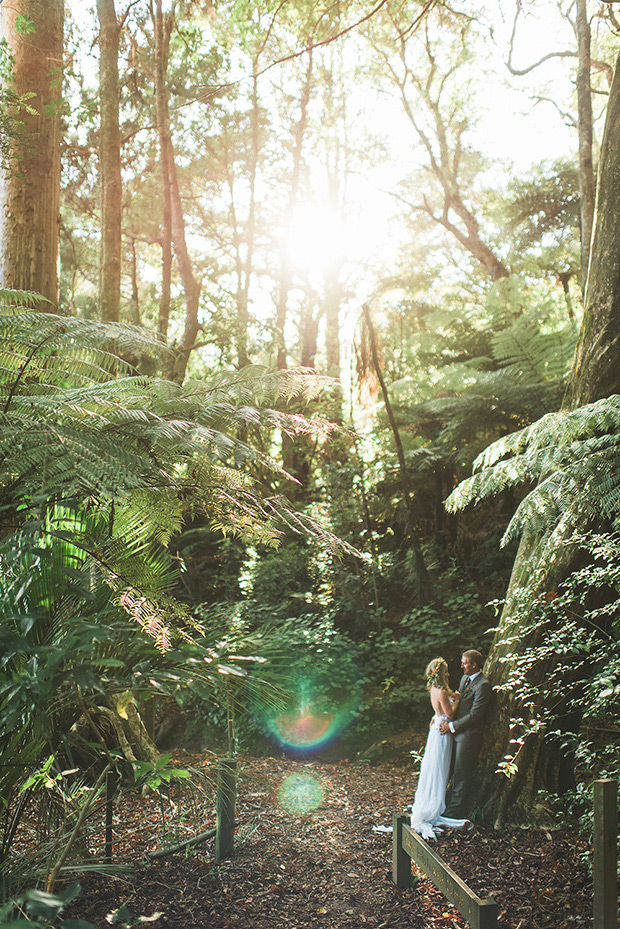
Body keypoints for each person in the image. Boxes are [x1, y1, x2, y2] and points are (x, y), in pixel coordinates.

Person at [409, 657, 472, 841]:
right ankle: (435, 804)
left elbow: (438, 710)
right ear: (440, 673)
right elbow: (450, 714)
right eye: (446, 671)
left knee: (435, 766)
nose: (449, 674)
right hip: (443, 731)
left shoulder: (433, 689)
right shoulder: (443, 691)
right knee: (440, 767)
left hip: (437, 726)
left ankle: (433, 799)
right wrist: (458, 701)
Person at [439, 649, 493, 819]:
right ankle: (440, 805)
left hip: (468, 736)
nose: (461, 666)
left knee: (461, 774)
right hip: (455, 732)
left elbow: (476, 715)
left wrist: (452, 726)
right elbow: (458, 700)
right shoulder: (465, 679)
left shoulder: (483, 685)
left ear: (474, 664)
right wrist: (439, 716)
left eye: (464, 663)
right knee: (447, 770)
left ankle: (452, 813)